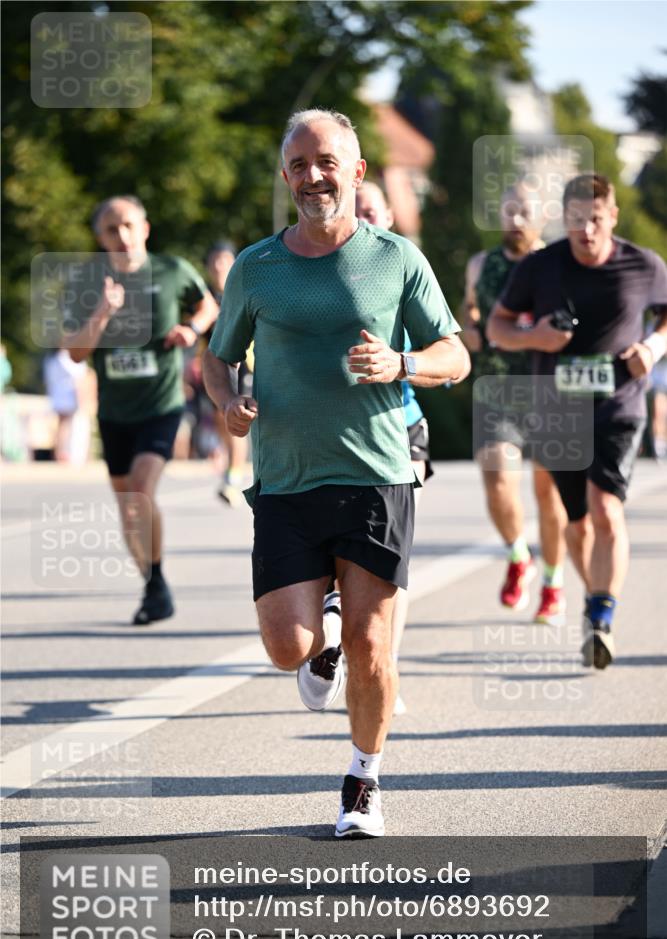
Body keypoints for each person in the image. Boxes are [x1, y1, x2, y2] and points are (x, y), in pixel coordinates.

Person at [203, 109, 469, 838]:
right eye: (298, 164)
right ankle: (315, 639)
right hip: (285, 479)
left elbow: (455, 354)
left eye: (325, 162)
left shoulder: (397, 258)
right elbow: (216, 356)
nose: (312, 176)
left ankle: (362, 781)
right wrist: (228, 402)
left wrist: (402, 362)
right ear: (285, 176)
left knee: (371, 644)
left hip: (374, 474)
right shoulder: (257, 267)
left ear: (355, 171)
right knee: (288, 646)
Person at [488, 172, 667, 668]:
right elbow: (497, 326)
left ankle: (602, 615)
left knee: (606, 508)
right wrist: (534, 338)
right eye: (574, 222)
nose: (585, 231)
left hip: (619, 406)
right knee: (577, 524)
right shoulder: (540, 267)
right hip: (556, 410)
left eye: (594, 220)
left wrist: (653, 346)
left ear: (611, 217)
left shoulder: (644, 264)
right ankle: (595, 602)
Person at [64, 195, 218, 624]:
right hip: (115, 412)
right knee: (128, 507)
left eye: (129, 225)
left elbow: (207, 304)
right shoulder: (87, 281)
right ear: (101, 237)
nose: (123, 236)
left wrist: (191, 328)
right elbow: (75, 352)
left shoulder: (172, 270)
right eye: (112, 229)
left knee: (141, 488)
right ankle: (154, 582)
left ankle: (155, 585)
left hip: (161, 404)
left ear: (145, 228)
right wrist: (102, 311)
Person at [463, 186, 567, 623]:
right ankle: (519, 553)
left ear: (543, 217)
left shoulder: (560, 266)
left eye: (525, 211)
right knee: (498, 480)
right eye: (509, 210)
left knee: (549, 496)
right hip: (497, 387)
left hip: (551, 391)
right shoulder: (481, 265)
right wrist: (468, 330)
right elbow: (469, 308)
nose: (516, 219)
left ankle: (553, 583)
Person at [355, 180, 434, 715]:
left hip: (403, 427)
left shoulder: (406, 270)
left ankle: (388, 664)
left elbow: (445, 354)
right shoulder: (319, 269)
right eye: (356, 211)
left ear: (388, 215)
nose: (364, 218)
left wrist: (402, 362)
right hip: (340, 436)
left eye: (372, 210)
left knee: (392, 558)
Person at [204, 241, 252, 506]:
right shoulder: (205, 298)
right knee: (222, 418)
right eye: (214, 261)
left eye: (224, 260)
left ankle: (233, 478)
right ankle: (232, 470)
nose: (219, 266)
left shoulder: (242, 292)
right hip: (213, 366)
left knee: (238, 415)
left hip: (244, 364)